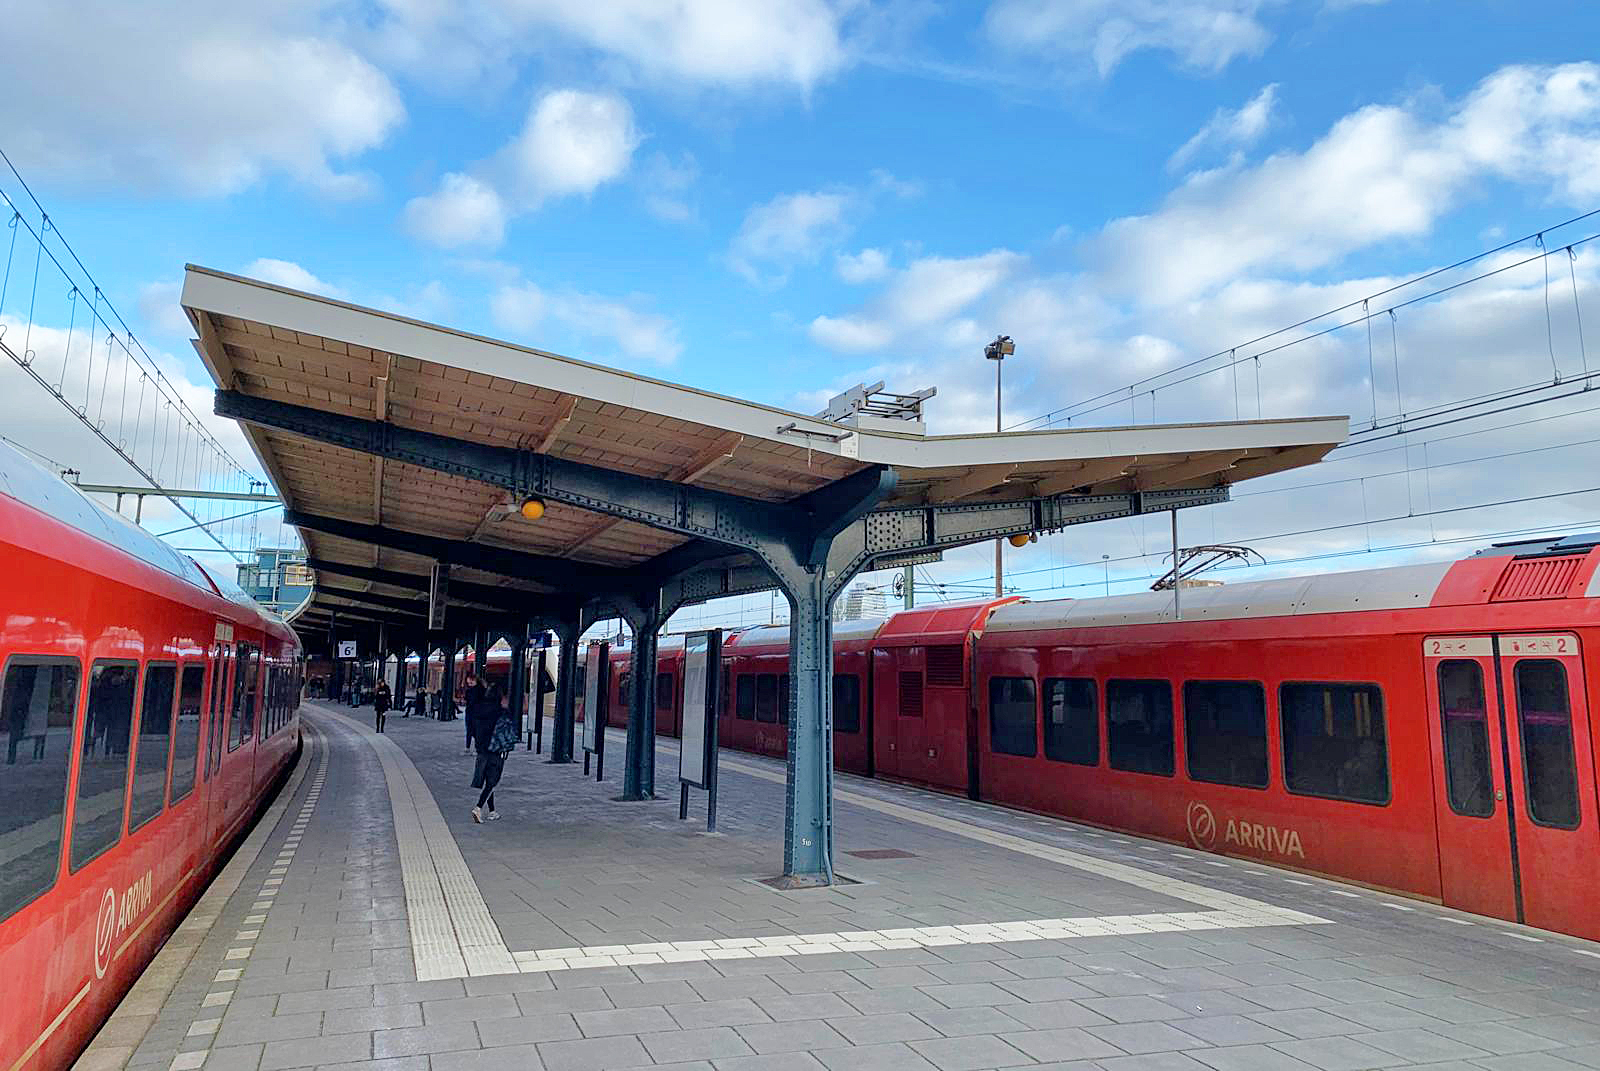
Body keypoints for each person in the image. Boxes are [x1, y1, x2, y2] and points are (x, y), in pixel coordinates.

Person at [471, 682, 516, 823]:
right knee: (492, 781)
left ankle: (492, 811)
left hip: (481, 749)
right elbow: (507, 733)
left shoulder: (479, 708)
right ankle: (478, 807)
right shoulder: (501, 711)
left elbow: (472, 729)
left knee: (488, 780)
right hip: (495, 751)